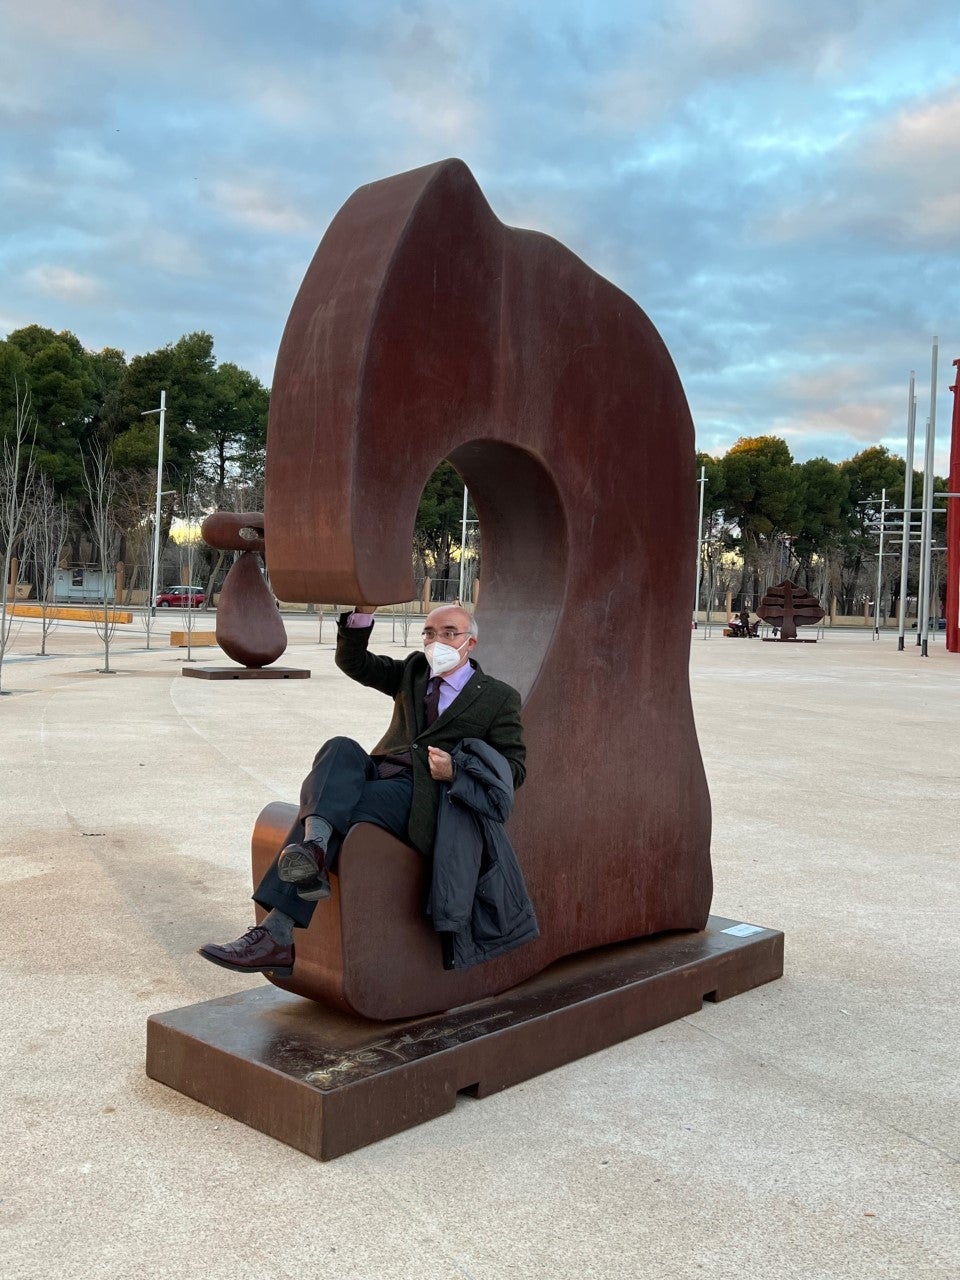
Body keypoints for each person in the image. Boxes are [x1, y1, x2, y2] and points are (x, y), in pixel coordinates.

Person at [198, 603, 526, 978]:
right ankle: (314, 852)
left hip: (428, 798)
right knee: (339, 747)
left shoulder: (498, 697)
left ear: (470, 642)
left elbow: (513, 770)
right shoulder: (414, 672)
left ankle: (275, 934)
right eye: (429, 633)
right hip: (380, 771)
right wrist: (362, 613)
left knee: (341, 807)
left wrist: (456, 769)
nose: (437, 641)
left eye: (448, 633)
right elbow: (354, 662)